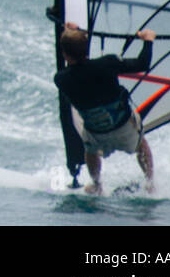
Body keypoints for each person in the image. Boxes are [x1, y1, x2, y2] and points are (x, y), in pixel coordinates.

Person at [54, 22, 155, 194]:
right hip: (122, 126)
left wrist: (69, 33)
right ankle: (150, 183)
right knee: (141, 145)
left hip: (96, 132)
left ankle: (97, 184)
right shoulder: (107, 63)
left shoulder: (61, 79)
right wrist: (148, 41)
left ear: (64, 54)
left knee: (90, 150)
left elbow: (75, 64)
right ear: (86, 48)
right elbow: (142, 64)